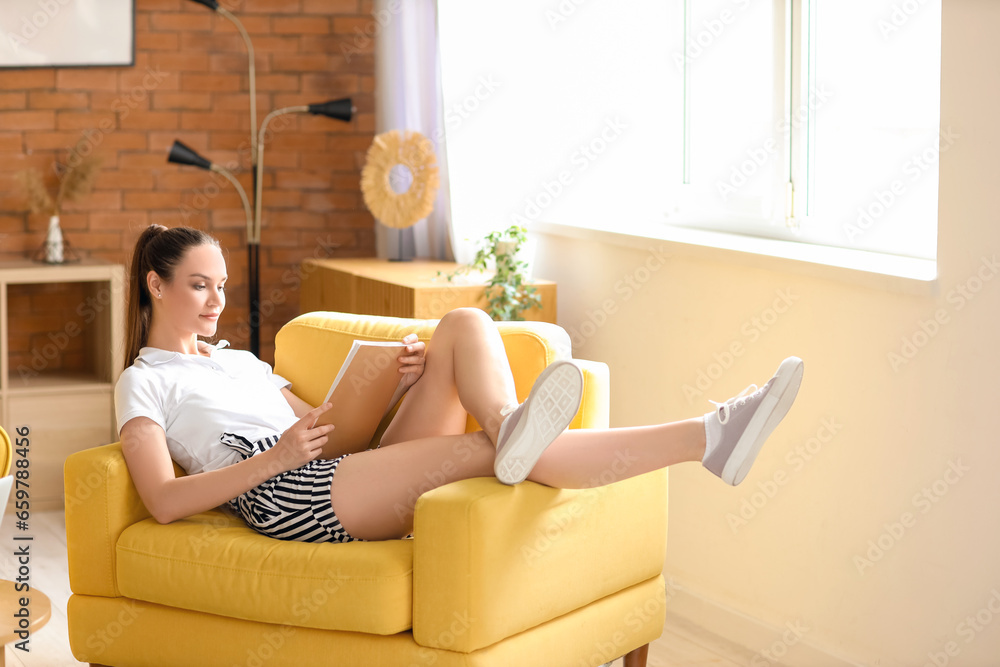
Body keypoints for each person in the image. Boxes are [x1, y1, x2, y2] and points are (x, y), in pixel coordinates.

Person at [116, 225, 804, 543]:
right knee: (484, 456)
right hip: (280, 493)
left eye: (222, 286)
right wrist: (279, 455)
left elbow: (324, 430)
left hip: (329, 466)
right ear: (157, 283)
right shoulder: (142, 383)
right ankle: (705, 437)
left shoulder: (240, 360)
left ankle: (512, 423)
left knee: (467, 325)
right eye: (199, 285)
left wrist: (388, 385)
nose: (214, 300)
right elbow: (164, 501)